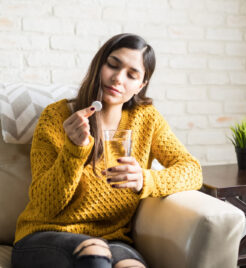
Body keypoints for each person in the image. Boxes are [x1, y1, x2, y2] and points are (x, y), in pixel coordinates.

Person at [11, 33, 202, 268]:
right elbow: (46, 205)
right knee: (94, 253)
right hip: (45, 235)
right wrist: (74, 150)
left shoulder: (146, 119)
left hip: (113, 240)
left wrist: (145, 179)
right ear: (99, 64)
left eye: (132, 75)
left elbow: (192, 170)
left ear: (141, 85)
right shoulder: (56, 117)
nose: (118, 79)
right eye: (112, 65)